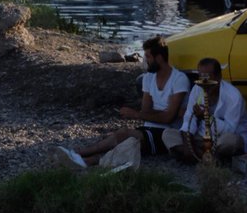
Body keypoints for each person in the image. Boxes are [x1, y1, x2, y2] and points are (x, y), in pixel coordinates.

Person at [54, 36, 190, 168]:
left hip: (168, 133)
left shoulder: (179, 79)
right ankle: (79, 155)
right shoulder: (149, 78)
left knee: (127, 139)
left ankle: (85, 159)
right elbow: (147, 110)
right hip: (150, 128)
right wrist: (164, 113)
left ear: (159, 58)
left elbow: (167, 119)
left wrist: (138, 115)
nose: (145, 60)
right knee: (123, 139)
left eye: (148, 57)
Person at [162, 58, 247, 162]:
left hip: (222, 139)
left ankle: (194, 155)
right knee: (168, 134)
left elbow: (230, 129)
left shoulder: (233, 96)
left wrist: (206, 117)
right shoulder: (197, 89)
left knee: (231, 141)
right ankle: (205, 157)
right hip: (201, 138)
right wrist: (188, 145)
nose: (205, 82)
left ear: (219, 77)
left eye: (208, 77)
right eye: (201, 77)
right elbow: (188, 120)